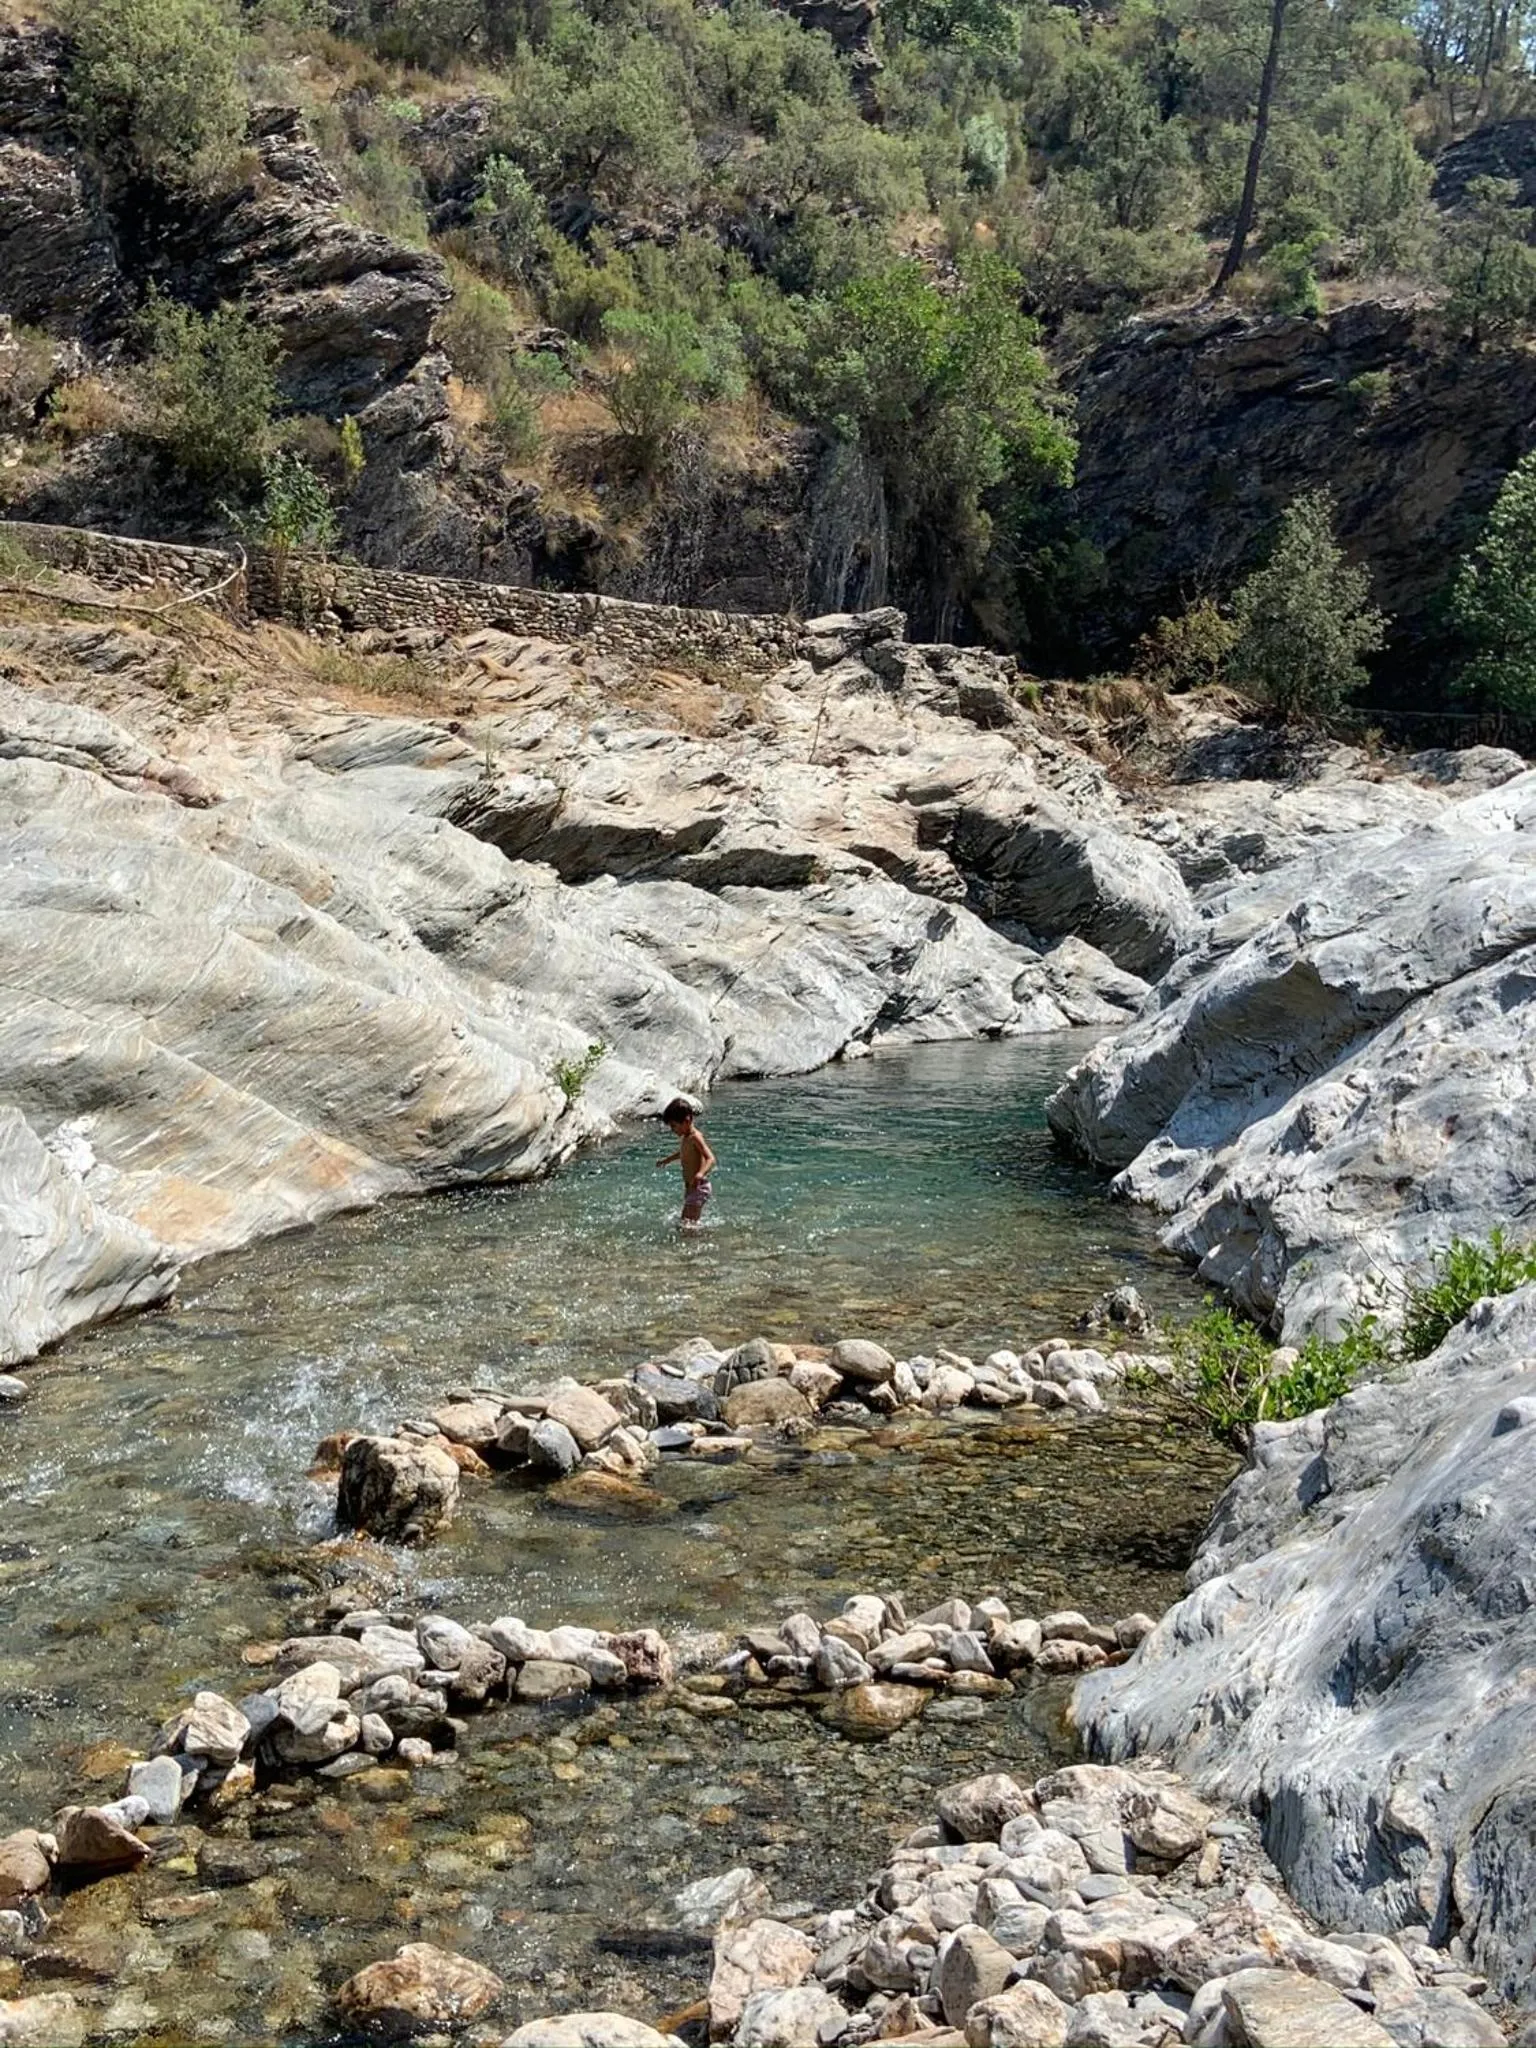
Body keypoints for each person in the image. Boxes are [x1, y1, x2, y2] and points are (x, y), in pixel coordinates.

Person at [656, 1097, 716, 1231]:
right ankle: (699, 1239)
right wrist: (667, 1160)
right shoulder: (686, 1137)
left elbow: (711, 1158)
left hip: (699, 1188)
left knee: (687, 1226)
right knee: (687, 1223)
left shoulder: (695, 1137)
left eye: (674, 1126)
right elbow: (682, 1153)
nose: (673, 1130)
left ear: (687, 1121)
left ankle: (701, 1243)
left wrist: (700, 1174)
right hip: (691, 1188)